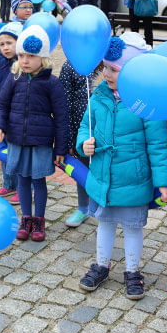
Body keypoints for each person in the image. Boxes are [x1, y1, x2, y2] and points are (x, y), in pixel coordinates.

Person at [76, 32, 167, 299]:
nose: (108, 73)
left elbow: (158, 144)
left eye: (115, 69)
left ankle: (132, 271)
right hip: (103, 177)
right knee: (104, 224)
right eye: (106, 67)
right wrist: (84, 144)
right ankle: (101, 265)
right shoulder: (99, 96)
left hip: (133, 180)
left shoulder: (147, 102)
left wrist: (162, 181)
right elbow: (85, 126)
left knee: (132, 227)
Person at [0, 26, 68, 241]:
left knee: (38, 181)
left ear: (42, 57)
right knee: (22, 179)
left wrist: (60, 147)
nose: (25, 60)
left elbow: (62, 117)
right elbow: (0, 105)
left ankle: (39, 221)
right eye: (22, 55)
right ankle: (26, 218)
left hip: (41, 141)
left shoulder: (52, 83)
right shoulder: (14, 78)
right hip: (16, 138)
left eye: (31, 56)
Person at [60, 58, 100, 227]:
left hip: (103, 130)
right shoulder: (70, 65)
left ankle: (103, 211)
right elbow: (63, 104)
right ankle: (83, 207)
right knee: (83, 170)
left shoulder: (106, 64)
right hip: (80, 132)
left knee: (103, 171)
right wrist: (68, 139)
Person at [0, 22, 22, 205]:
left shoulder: (22, 64)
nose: (5, 47)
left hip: (16, 118)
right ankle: (9, 183)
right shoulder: (2, 63)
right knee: (2, 150)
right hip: (1, 115)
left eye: (9, 43)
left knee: (16, 154)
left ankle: (23, 188)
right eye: (2, 44)